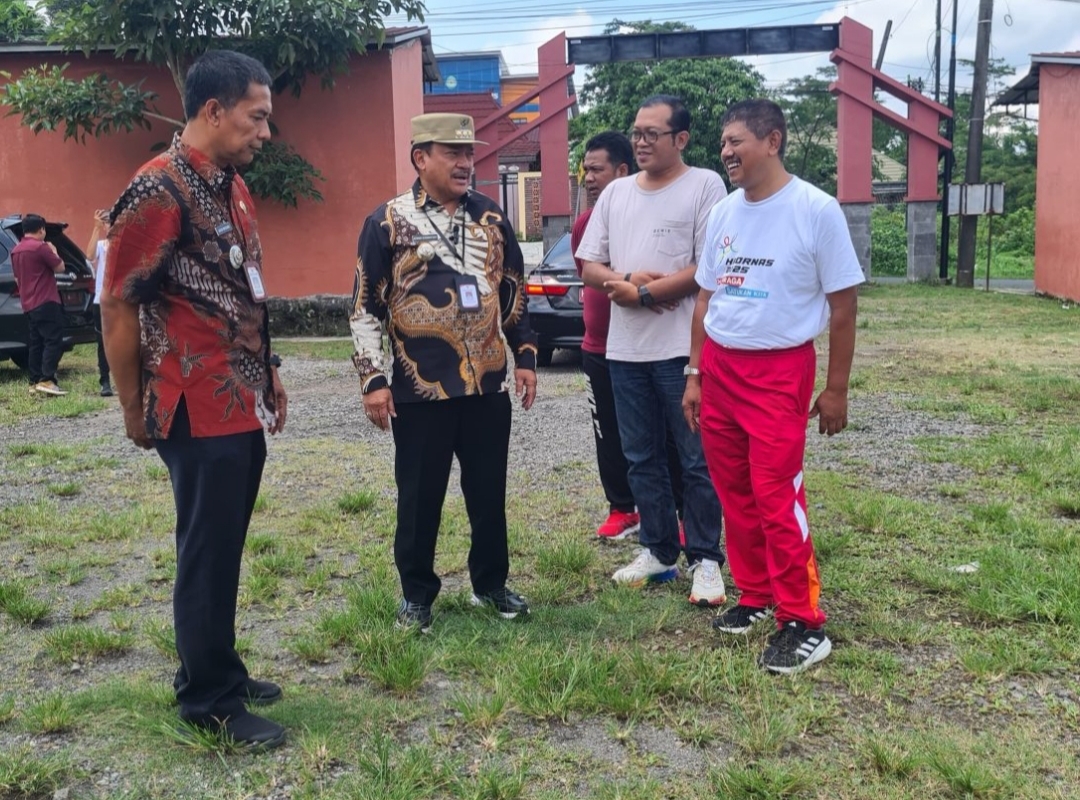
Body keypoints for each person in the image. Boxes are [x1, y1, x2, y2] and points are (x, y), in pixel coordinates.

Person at [101, 50, 289, 749]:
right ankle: (209, 702)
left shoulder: (231, 185)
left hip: (238, 396)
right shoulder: (158, 189)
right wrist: (130, 405)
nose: (266, 131)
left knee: (225, 545)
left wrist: (268, 369)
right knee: (206, 550)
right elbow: (118, 306)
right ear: (213, 111)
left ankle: (218, 671)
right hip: (190, 402)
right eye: (257, 116)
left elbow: (246, 291)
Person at [683, 99, 864, 674]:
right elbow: (706, 297)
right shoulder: (725, 214)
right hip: (720, 368)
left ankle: (802, 619)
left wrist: (836, 389)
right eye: (723, 142)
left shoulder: (815, 209)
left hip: (779, 370)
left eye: (737, 141)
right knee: (733, 490)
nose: (726, 152)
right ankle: (756, 595)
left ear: (773, 140)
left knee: (775, 492)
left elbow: (843, 306)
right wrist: (695, 372)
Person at [350, 113, 539, 634]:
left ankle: (490, 584)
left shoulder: (492, 218)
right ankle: (417, 595)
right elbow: (365, 306)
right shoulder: (387, 222)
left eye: (468, 152)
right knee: (419, 497)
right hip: (419, 387)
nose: (464, 162)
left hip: (485, 386)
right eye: (451, 152)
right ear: (420, 158)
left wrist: (524, 357)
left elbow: (514, 294)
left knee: (487, 492)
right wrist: (373, 378)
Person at [576, 95, 728, 607]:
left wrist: (645, 293)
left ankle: (706, 559)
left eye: (652, 134)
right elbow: (589, 265)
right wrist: (624, 280)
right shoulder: (616, 194)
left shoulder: (705, 184)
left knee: (694, 457)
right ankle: (659, 553)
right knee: (640, 457)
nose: (640, 142)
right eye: (636, 133)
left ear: (680, 139)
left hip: (682, 349)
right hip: (624, 350)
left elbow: (709, 267)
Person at [572, 131, 685, 542]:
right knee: (610, 433)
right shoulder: (586, 223)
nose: (588, 178)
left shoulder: (652, 215)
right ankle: (622, 507)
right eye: (585, 170)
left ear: (622, 170)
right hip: (598, 348)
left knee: (669, 434)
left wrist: (643, 292)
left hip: (652, 346)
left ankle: (680, 511)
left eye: (596, 170)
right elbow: (589, 271)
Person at [11, 213, 68, 396]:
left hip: (28, 303)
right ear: (41, 229)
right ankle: (47, 379)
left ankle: (34, 381)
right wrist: (53, 250)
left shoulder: (16, 250)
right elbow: (60, 267)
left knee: (35, 343)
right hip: (46, 300)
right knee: (53, 340)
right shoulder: (41, 248)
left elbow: (16, 278)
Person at [86, 209, 114, 396]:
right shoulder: (102, 245)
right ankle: (105, 381)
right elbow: (89, 256)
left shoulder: (126, 243)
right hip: (101, 300)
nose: (109, 226)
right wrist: (95, 229)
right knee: (102, 343)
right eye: (106, 223)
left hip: (122, 299)